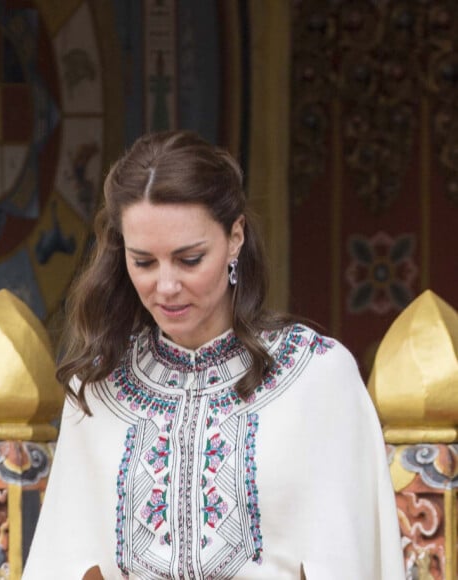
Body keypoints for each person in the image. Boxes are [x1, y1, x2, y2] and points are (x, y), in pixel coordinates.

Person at [23, 130, 405, 579]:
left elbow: (353, 559)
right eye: (143, 262)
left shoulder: (316, 375)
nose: (165, 286)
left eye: (189, 259)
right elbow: (65, 563)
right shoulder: (98, 386)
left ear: (235, 237)